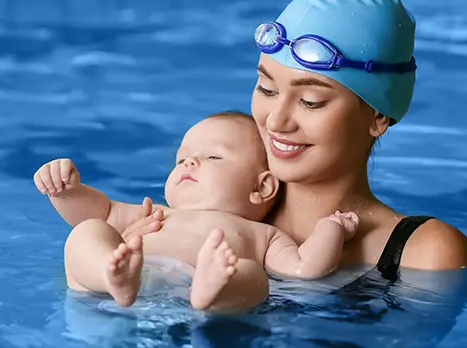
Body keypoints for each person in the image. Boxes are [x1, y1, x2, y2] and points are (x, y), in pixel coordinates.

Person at [123, 0, 467, 279]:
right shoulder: (204, 204)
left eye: (311, 102)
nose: (276, 120)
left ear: (379, 117)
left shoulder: (423, 254)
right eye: (266, 89)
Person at [33, 111, 359, 311]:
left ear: (261, 188)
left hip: (199, 284)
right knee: (87, 231)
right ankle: (110, 273)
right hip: (133, 275)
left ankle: (213, 292)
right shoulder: (154, 215)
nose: (190, 162)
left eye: (213, 157)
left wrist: (331, 229)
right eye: (181, 159)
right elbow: (97, 213)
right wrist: (67, 191)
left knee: (252, 276)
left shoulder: (264, 236)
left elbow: (305, 269)